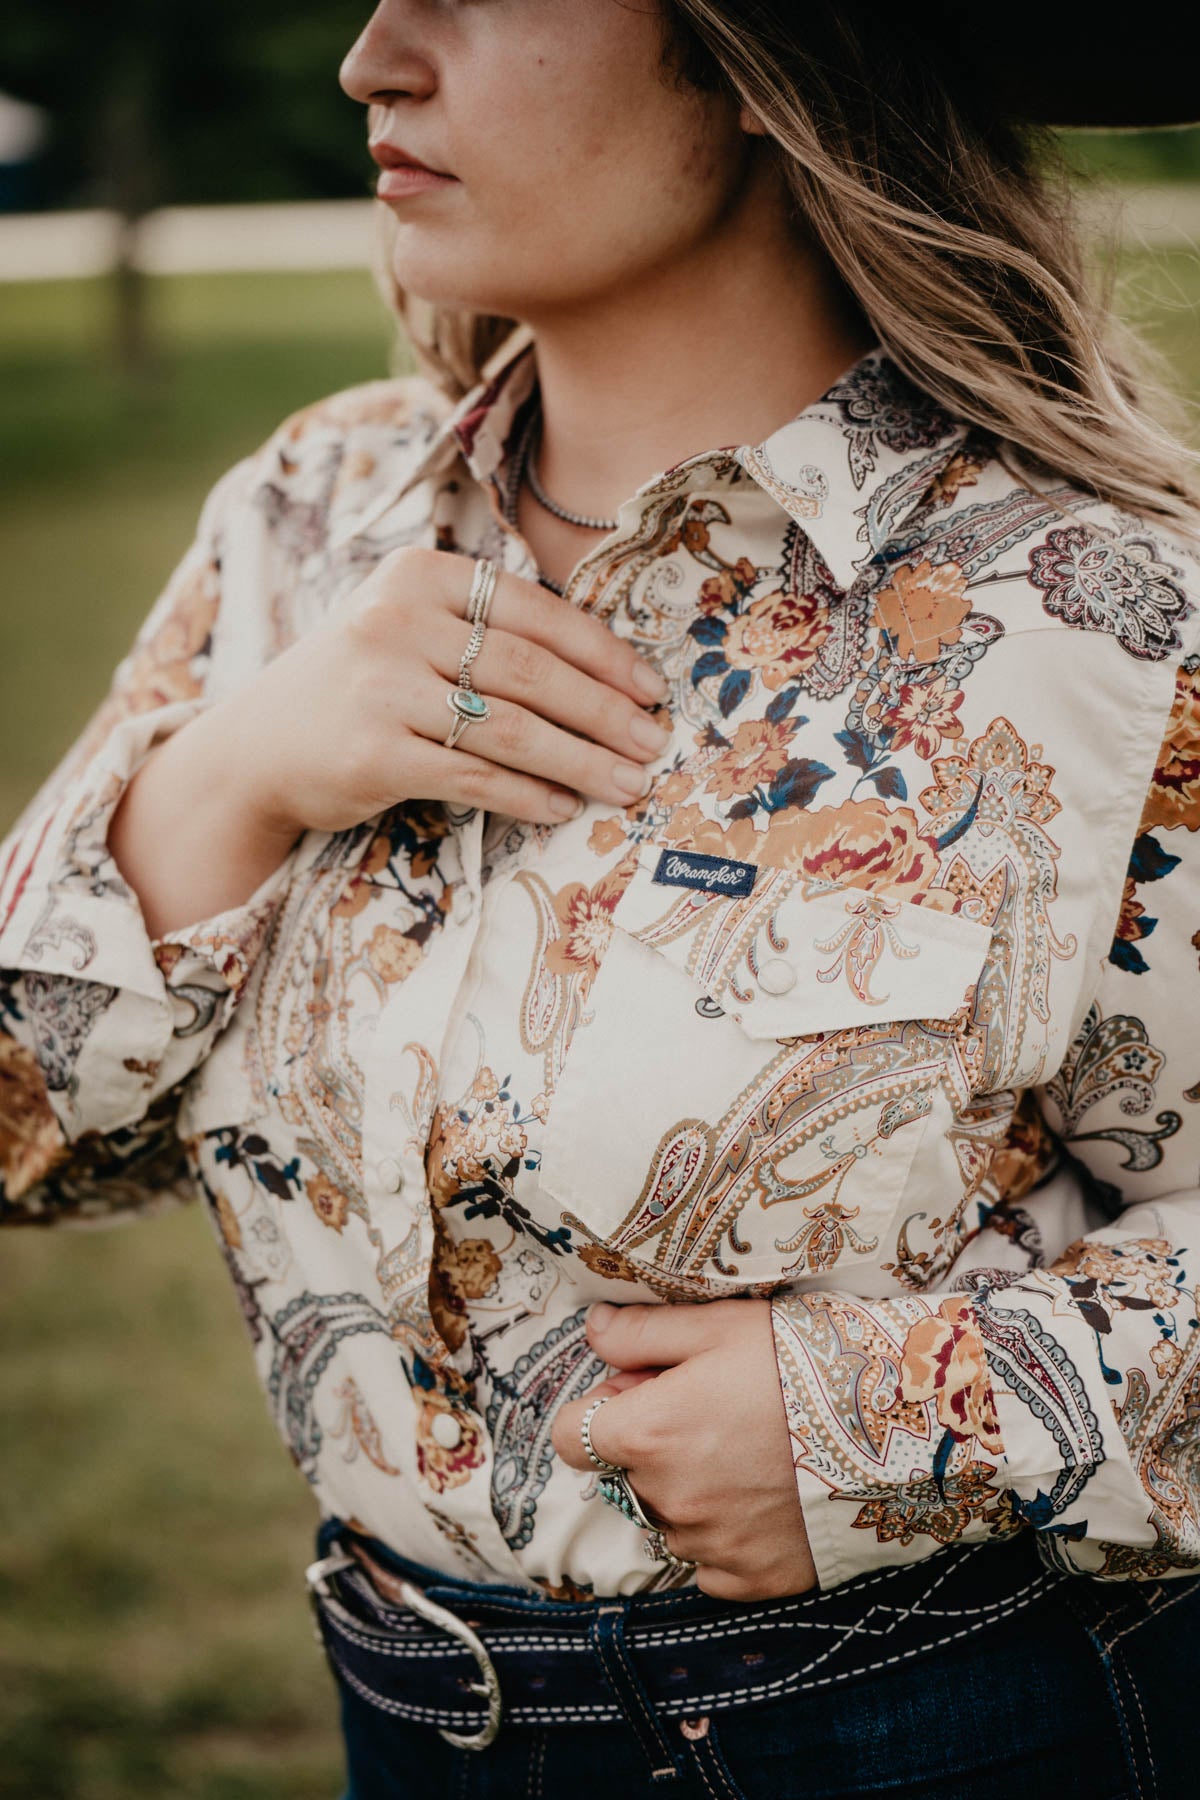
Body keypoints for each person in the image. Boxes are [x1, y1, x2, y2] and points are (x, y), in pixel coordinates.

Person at [3, 2, 1200, 1795]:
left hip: (943, 1731)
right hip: (408, 1732)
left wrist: (891, 1422)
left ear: (754, 56)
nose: (371, 59)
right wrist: (230, 776)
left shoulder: (1099, 623)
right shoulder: (310, 519)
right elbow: (28, 1137)